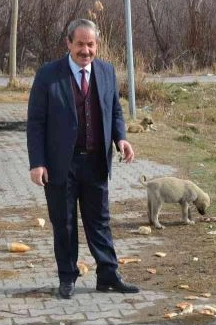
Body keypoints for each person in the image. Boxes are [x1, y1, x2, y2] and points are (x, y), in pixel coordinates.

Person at [27, 18, 139, 299]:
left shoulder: (106, 72)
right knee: (64, 223)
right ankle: (67, 277)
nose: (85, 50)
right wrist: (37, 162)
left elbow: (113, 110)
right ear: (68, 43)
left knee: (99, 221)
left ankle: (108, 275)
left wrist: (121, 138)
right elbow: (36, 122)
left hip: (95, 162)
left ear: (97, 45)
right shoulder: (48, 75)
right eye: (80, 44)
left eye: (90, 44)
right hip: (59, 165)